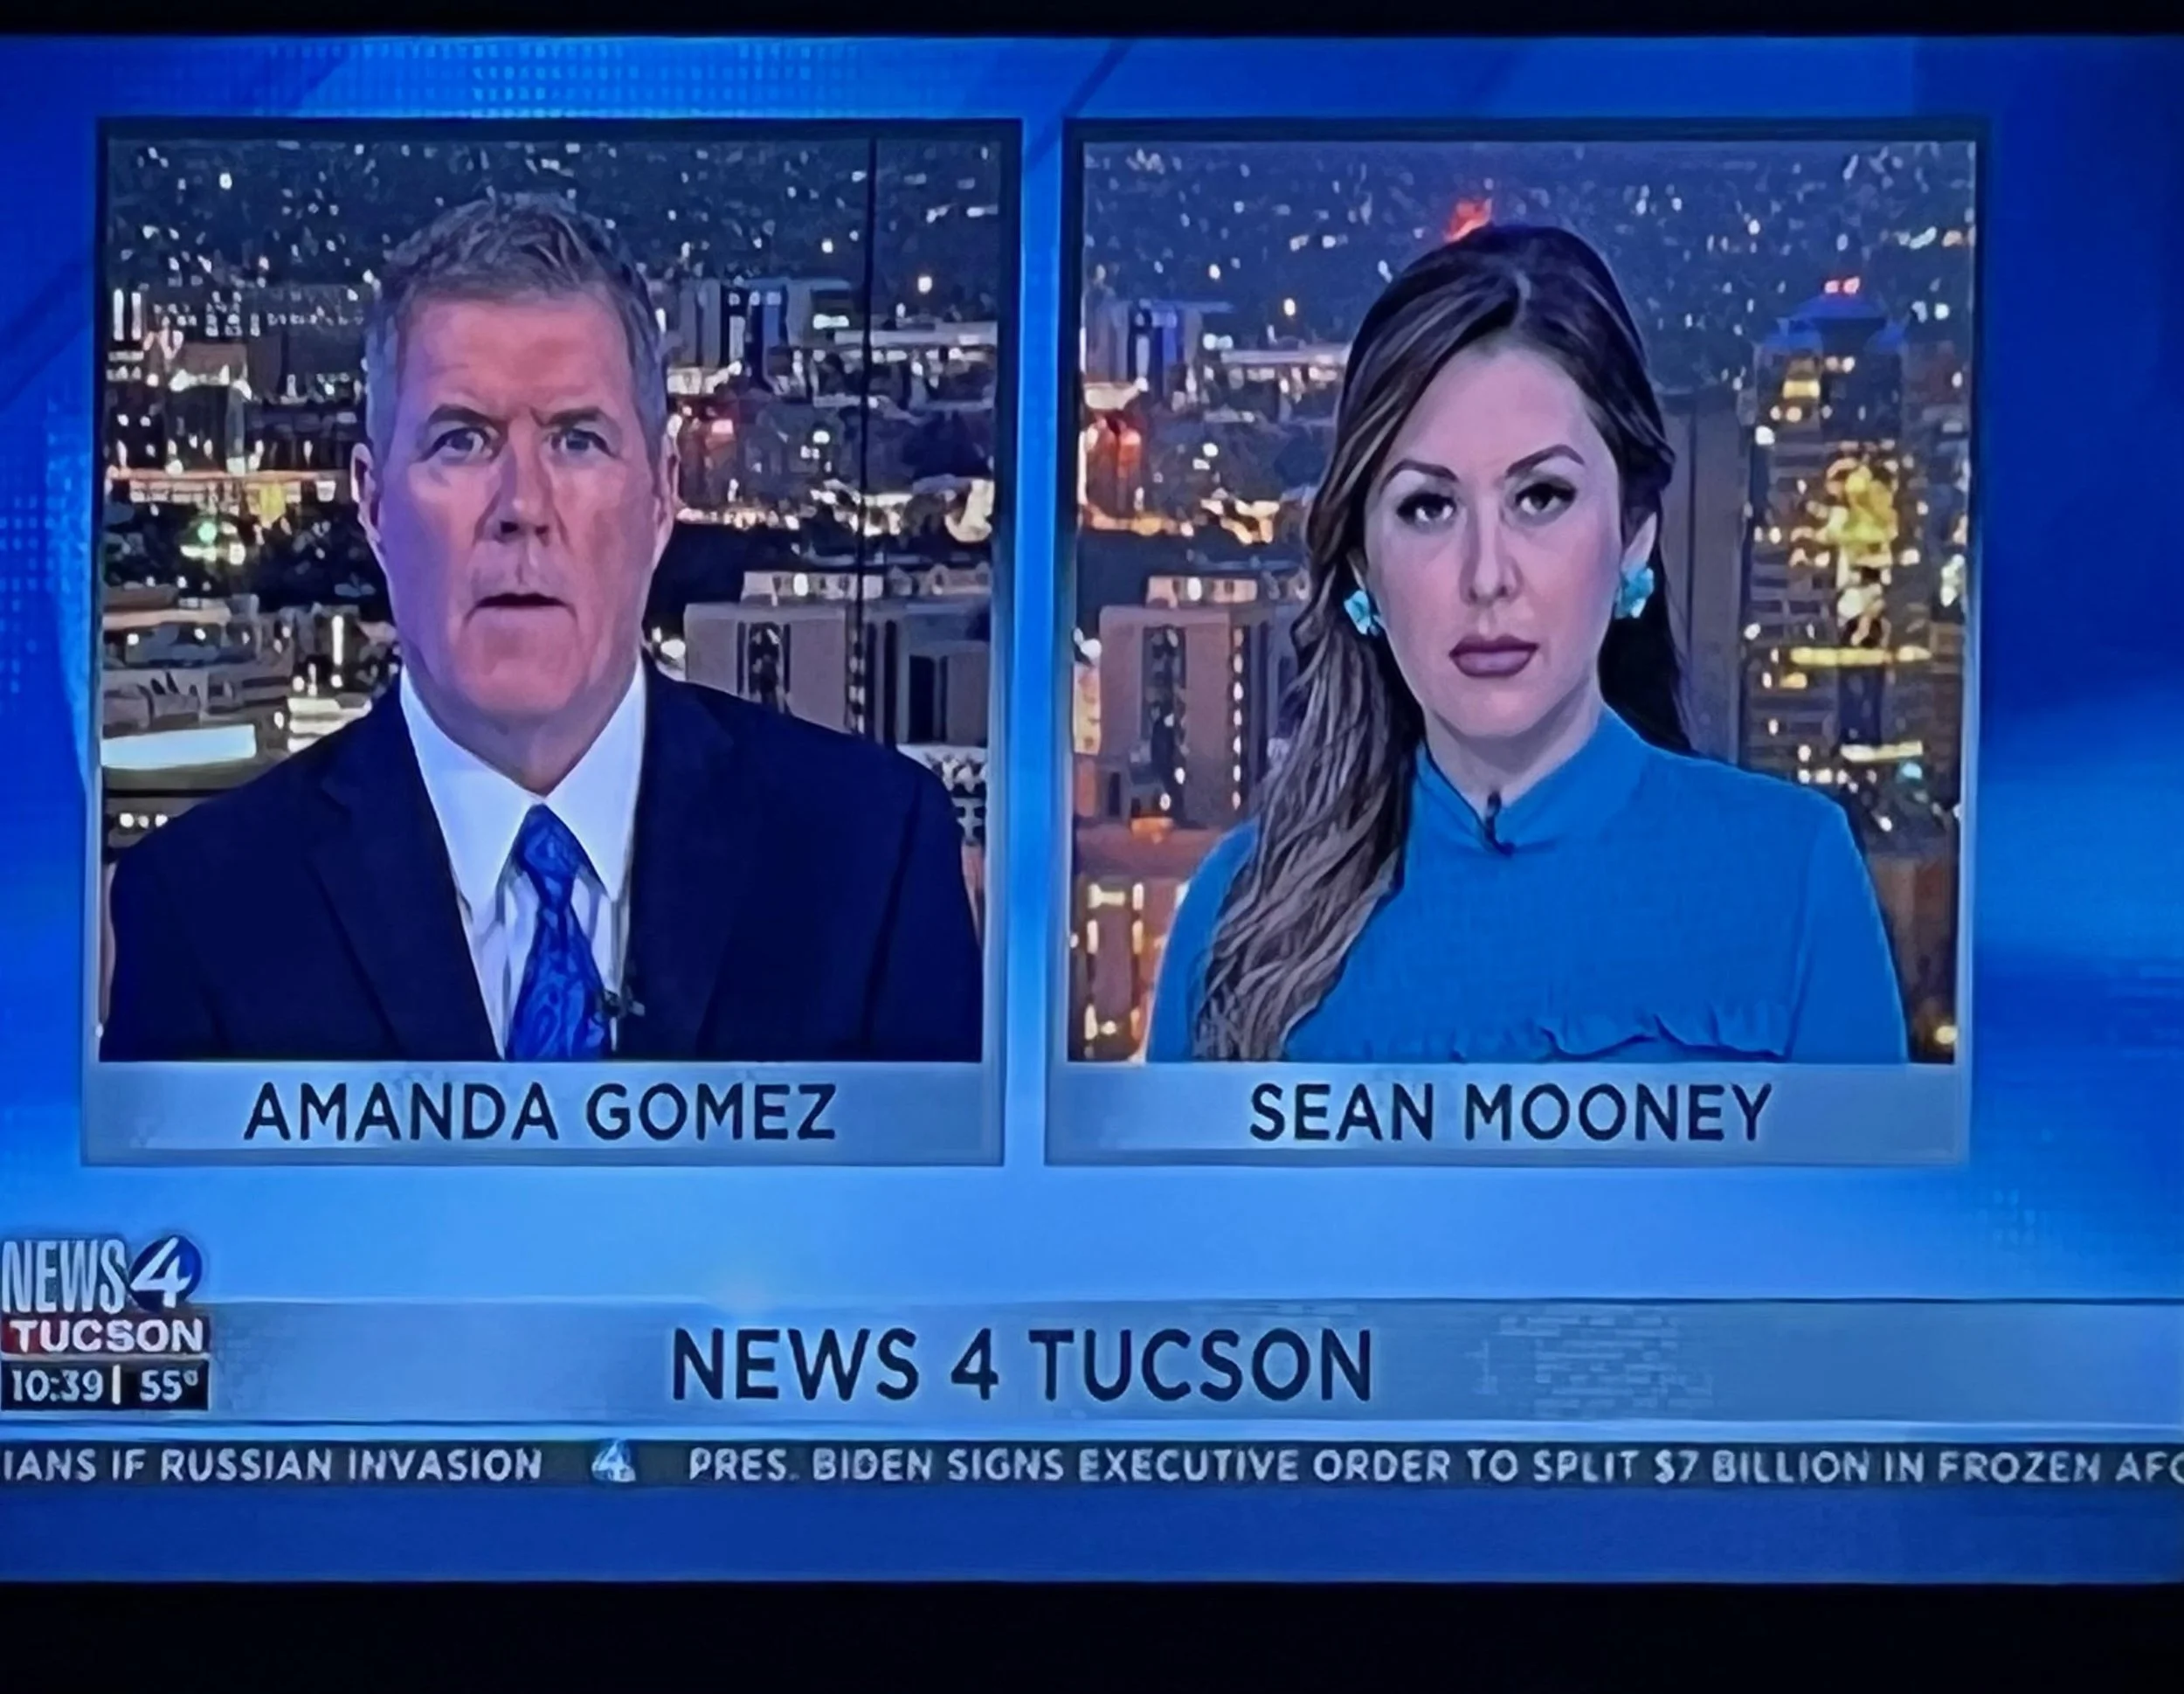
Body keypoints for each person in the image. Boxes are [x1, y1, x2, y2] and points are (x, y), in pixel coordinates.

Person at [103, 194, 981, 1063]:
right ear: (372, 503)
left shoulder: (872, 859)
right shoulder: (203, 910)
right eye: (461, 441)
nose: (522, 505)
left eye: (576, 440)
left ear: (662, 494)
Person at [1148, 225, 1906, 1065]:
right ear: (1362, 564)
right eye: (1428, 507)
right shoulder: (1237, 913)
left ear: (1634, 535)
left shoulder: (1793, 877)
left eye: (1541, 496)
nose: (1487, 576)